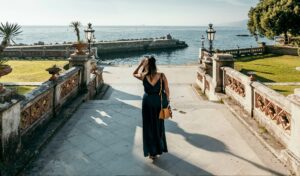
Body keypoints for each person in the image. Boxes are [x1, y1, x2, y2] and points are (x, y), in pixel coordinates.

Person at [133, 56, 169, 160]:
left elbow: (133, 73)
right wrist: (167, 102)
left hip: (147, 102)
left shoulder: (143, 76)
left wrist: (140, 65)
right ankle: (158, 149)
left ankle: (151, 152)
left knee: (148, 126)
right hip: (158, 102)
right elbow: (167, 90)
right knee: (158, 125)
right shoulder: (162, 76)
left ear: (147, 65)